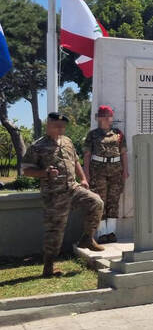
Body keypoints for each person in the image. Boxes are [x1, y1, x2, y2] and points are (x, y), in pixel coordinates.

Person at [21, 112, 104, 277]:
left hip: (73, 188)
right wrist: (45, 173)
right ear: (48, 125)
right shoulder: (38, 146)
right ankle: (48, 267)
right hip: (54, 195)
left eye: (63, 126)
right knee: (55, 231)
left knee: (96, 202)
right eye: (57, 125)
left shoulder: (67, 141)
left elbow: (75, 161)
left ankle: (87, 238)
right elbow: (26, 171)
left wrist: (83, 179)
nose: (61, 128)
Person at [83, 105, 128, 244]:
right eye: (107, 116)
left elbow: (124, 154)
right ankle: (102, 233)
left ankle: (111, 232)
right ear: (100, 118)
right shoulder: (92, 134)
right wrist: (86, 174)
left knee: (113, 201)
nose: (110, 119)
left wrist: (125, 170)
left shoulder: (118, 134)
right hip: (98, 171)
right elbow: (87, 155)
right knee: (100, 201)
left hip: (116, 171)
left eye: (111, 116)